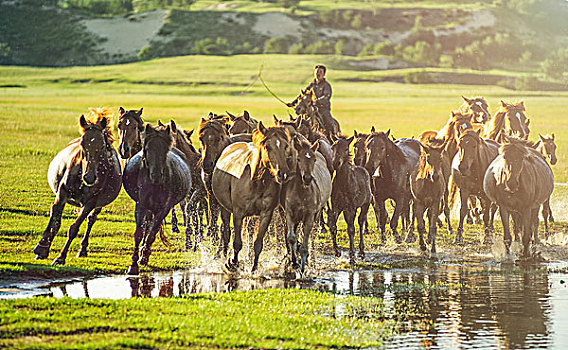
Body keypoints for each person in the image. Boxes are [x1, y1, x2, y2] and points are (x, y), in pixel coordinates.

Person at [287, 64, 335, 137]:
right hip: (310, 107)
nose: (318, 74)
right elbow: (302, 95)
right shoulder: (311, 85)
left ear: (324, 74)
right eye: (317, 72)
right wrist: (293, 103)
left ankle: (333, 136)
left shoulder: (326, 85)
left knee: (328, 121)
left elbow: (326, 97)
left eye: (320, 72)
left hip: (322, 109)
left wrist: (316, 101)